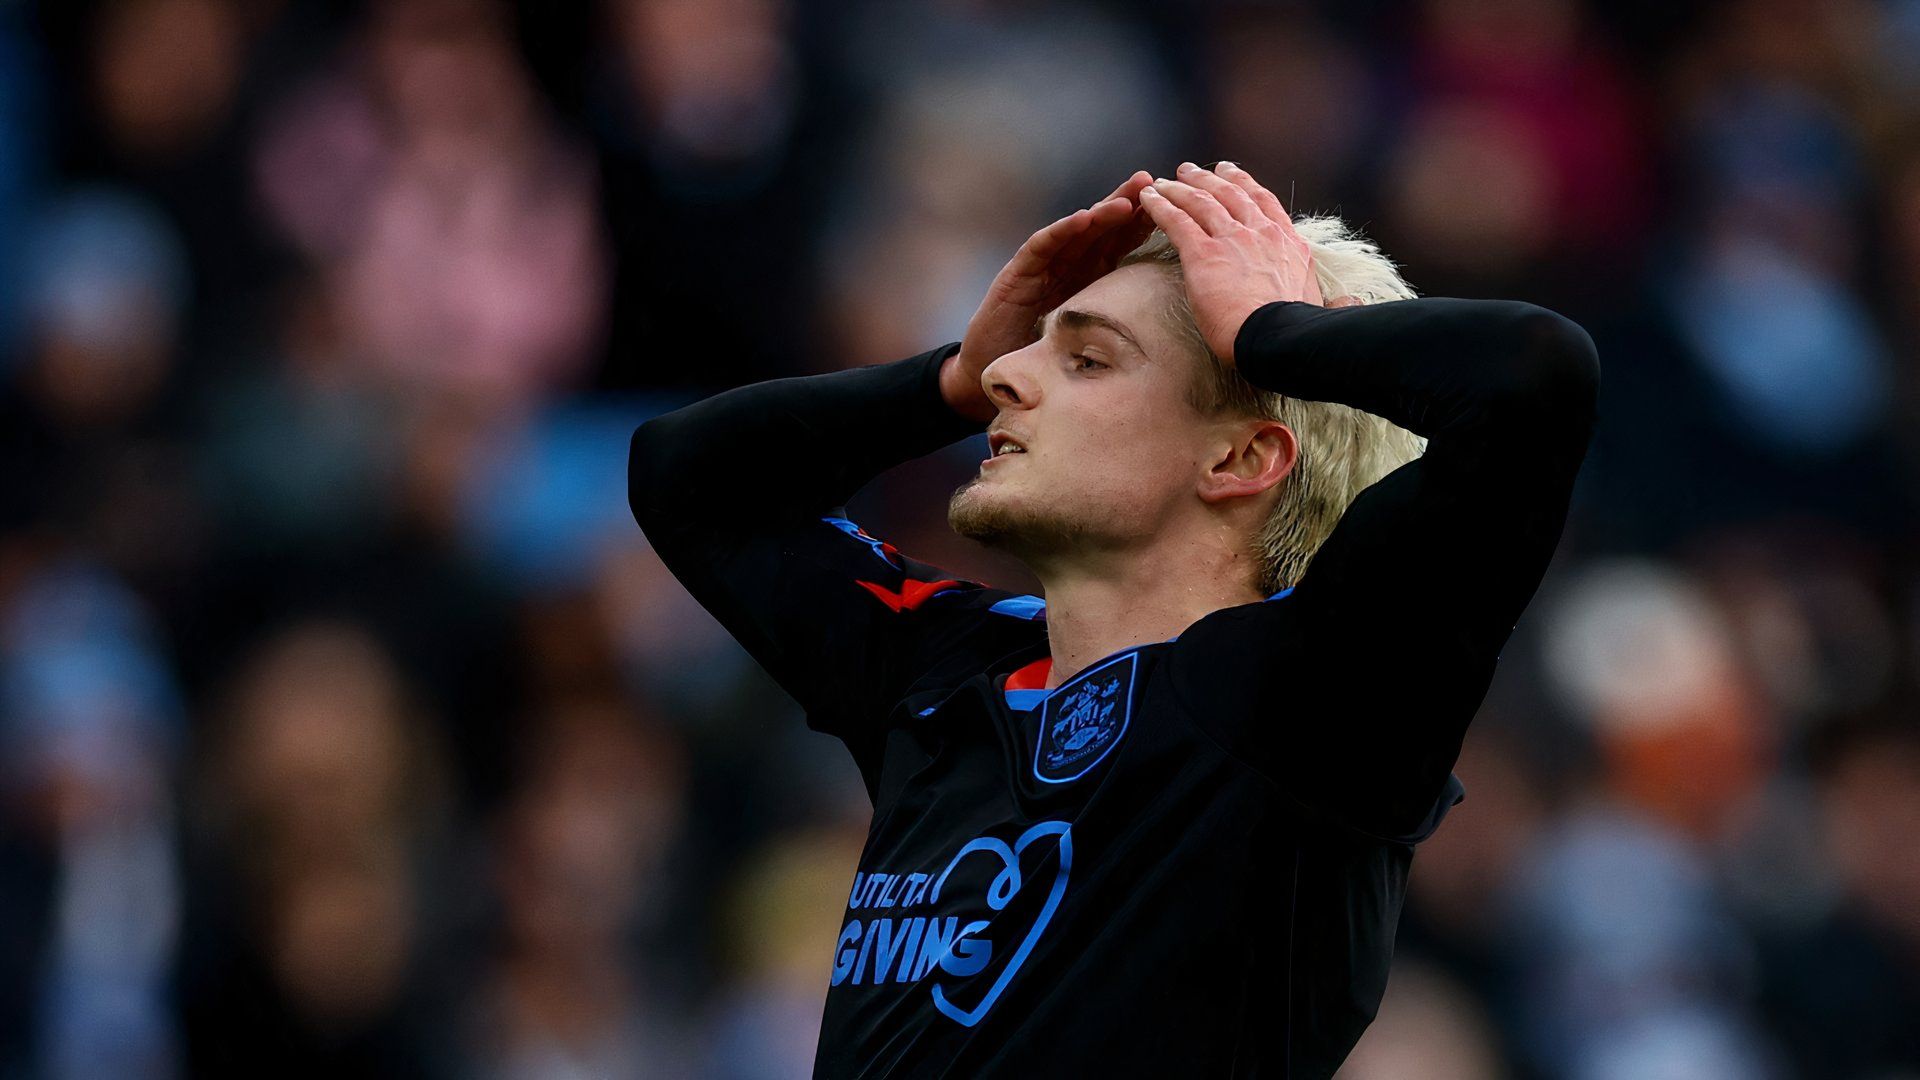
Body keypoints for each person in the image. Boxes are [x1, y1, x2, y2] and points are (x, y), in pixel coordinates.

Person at [628, 161, 1599, 1078]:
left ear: (1239, 460)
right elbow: (687, 479)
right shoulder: (945, 675)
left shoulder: (1313, 704)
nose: (1013, 375)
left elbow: (1529, 375)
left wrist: (1269, 328)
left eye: (1088, 358)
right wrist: (947, 384)